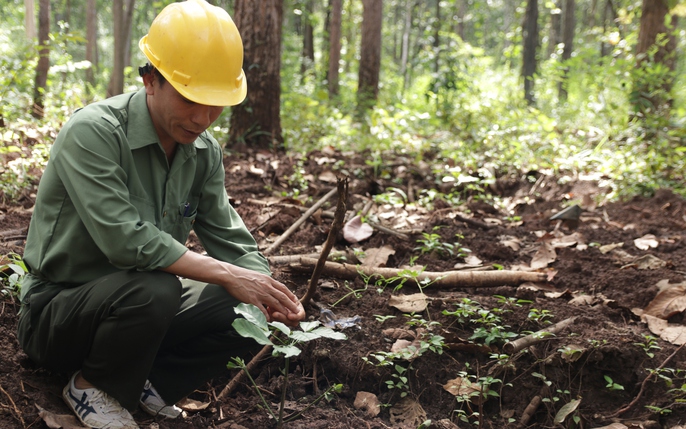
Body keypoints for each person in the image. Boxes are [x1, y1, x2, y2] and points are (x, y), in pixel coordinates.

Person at [16, 1, 305, 428]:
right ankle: (92, 385)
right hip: (58, 315)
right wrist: (226, 273)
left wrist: (266, 291)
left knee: (247, 300)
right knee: (159, 287)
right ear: (151, 80)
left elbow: (233, 242)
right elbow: (125, 240)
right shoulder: (94, 133)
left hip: (138, 318)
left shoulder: (203, 153)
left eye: (216, 104)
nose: (204, 118)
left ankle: (148, 383)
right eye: (191, 99)